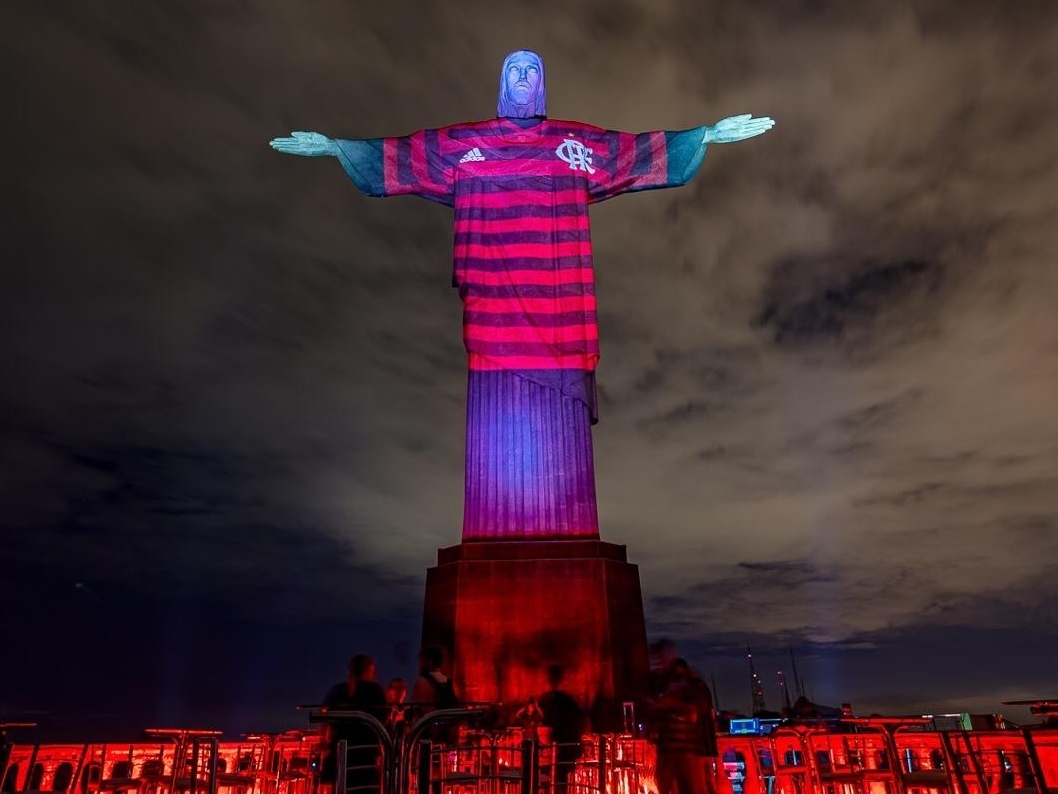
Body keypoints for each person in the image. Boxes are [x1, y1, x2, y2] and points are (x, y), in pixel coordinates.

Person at [270, 51, 774, 544]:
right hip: (494, 321)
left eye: (533, 69)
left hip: (559, 316)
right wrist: (339, 147)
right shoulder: (468, 144)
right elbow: (406, 155)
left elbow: (632, 153)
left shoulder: (569, 143)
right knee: (497, 447)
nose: (523, 76)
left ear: (542, 84)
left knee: (560, 453)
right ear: (502, 82)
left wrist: (702, 135)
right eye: (514, 68)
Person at [646, 655, 719, 794]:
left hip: (686, 751)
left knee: (691, 786)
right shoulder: (680, 689)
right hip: (673, 750)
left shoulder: (692, 689)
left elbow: (693, 714)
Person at [319, 654, 388, 794]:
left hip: (341, 754)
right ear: (369, 669)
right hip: (365, 755)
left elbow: (324, 718)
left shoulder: (338, 690)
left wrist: (325, 743)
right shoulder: (375, 691)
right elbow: (383, 720)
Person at [539, 664, 584, 794]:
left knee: (560, 781)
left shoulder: (562, 700)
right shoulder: (552, 699)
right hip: (556, 749)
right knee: (555, 781)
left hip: (563, 748)